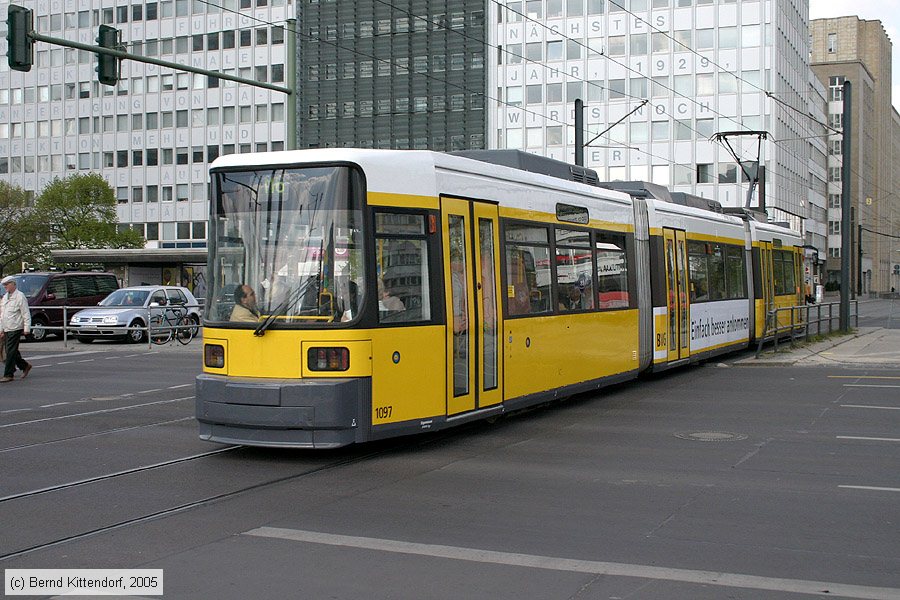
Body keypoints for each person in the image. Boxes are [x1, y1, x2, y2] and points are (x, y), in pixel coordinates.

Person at [1, 276, 33, 383]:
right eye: (4, 285)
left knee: (10, 351)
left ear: (13, 284)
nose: (5, 287)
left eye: (7, 284)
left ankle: (8, 374)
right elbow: (3, 315)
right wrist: (1, 329)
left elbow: (25, 313)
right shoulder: (5, 297)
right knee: (12, 350)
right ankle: (24, 365)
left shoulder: (20, 296)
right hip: (7, 327)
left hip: (15, 327)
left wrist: (27, 328)